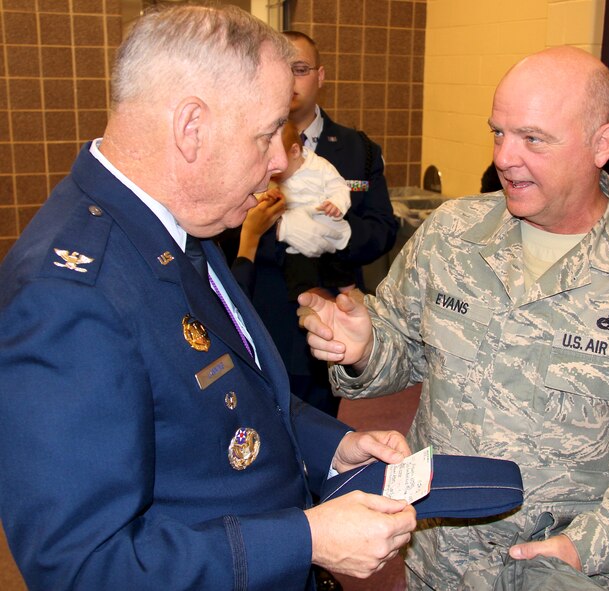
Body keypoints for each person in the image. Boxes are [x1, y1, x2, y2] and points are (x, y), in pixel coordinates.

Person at [0, 6, 416, 591]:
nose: (280, 160)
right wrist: (306, 539)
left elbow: (237, 390)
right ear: (191, 127)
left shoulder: (176, 227)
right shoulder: (69, 298)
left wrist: (336, 445)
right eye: (268, 131)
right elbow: (83, 567)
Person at [298, 47, 609, 590]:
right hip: (443, 557)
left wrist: (588, 545)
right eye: (498, 133)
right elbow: (403, 350)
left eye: (533, 138)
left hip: (573, 569)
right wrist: (367, 347)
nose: (506, 157)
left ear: (602, 144)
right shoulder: (452, 235)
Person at [235, 30, 398, 418]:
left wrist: (337, 237)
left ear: (320, 76)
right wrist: (285, 231)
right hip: (269, 313)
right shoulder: (243, 144)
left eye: (301, 69)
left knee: (325, 428)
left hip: (335, 321)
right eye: (282, 69)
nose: (292, 79)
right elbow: (225, 230)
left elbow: (382, 228)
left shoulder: (358, 148)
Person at [272, 120, 357, 299]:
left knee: (339, 268)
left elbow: (339, 187)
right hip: (297, 239)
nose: (273, 167)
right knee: (297, 271)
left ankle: (349, 294)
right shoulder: (275, 177)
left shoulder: (319, 166)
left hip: (327, 228)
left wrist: (336, 203)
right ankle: (309, 301)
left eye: (277, 159)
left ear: (295, 151)